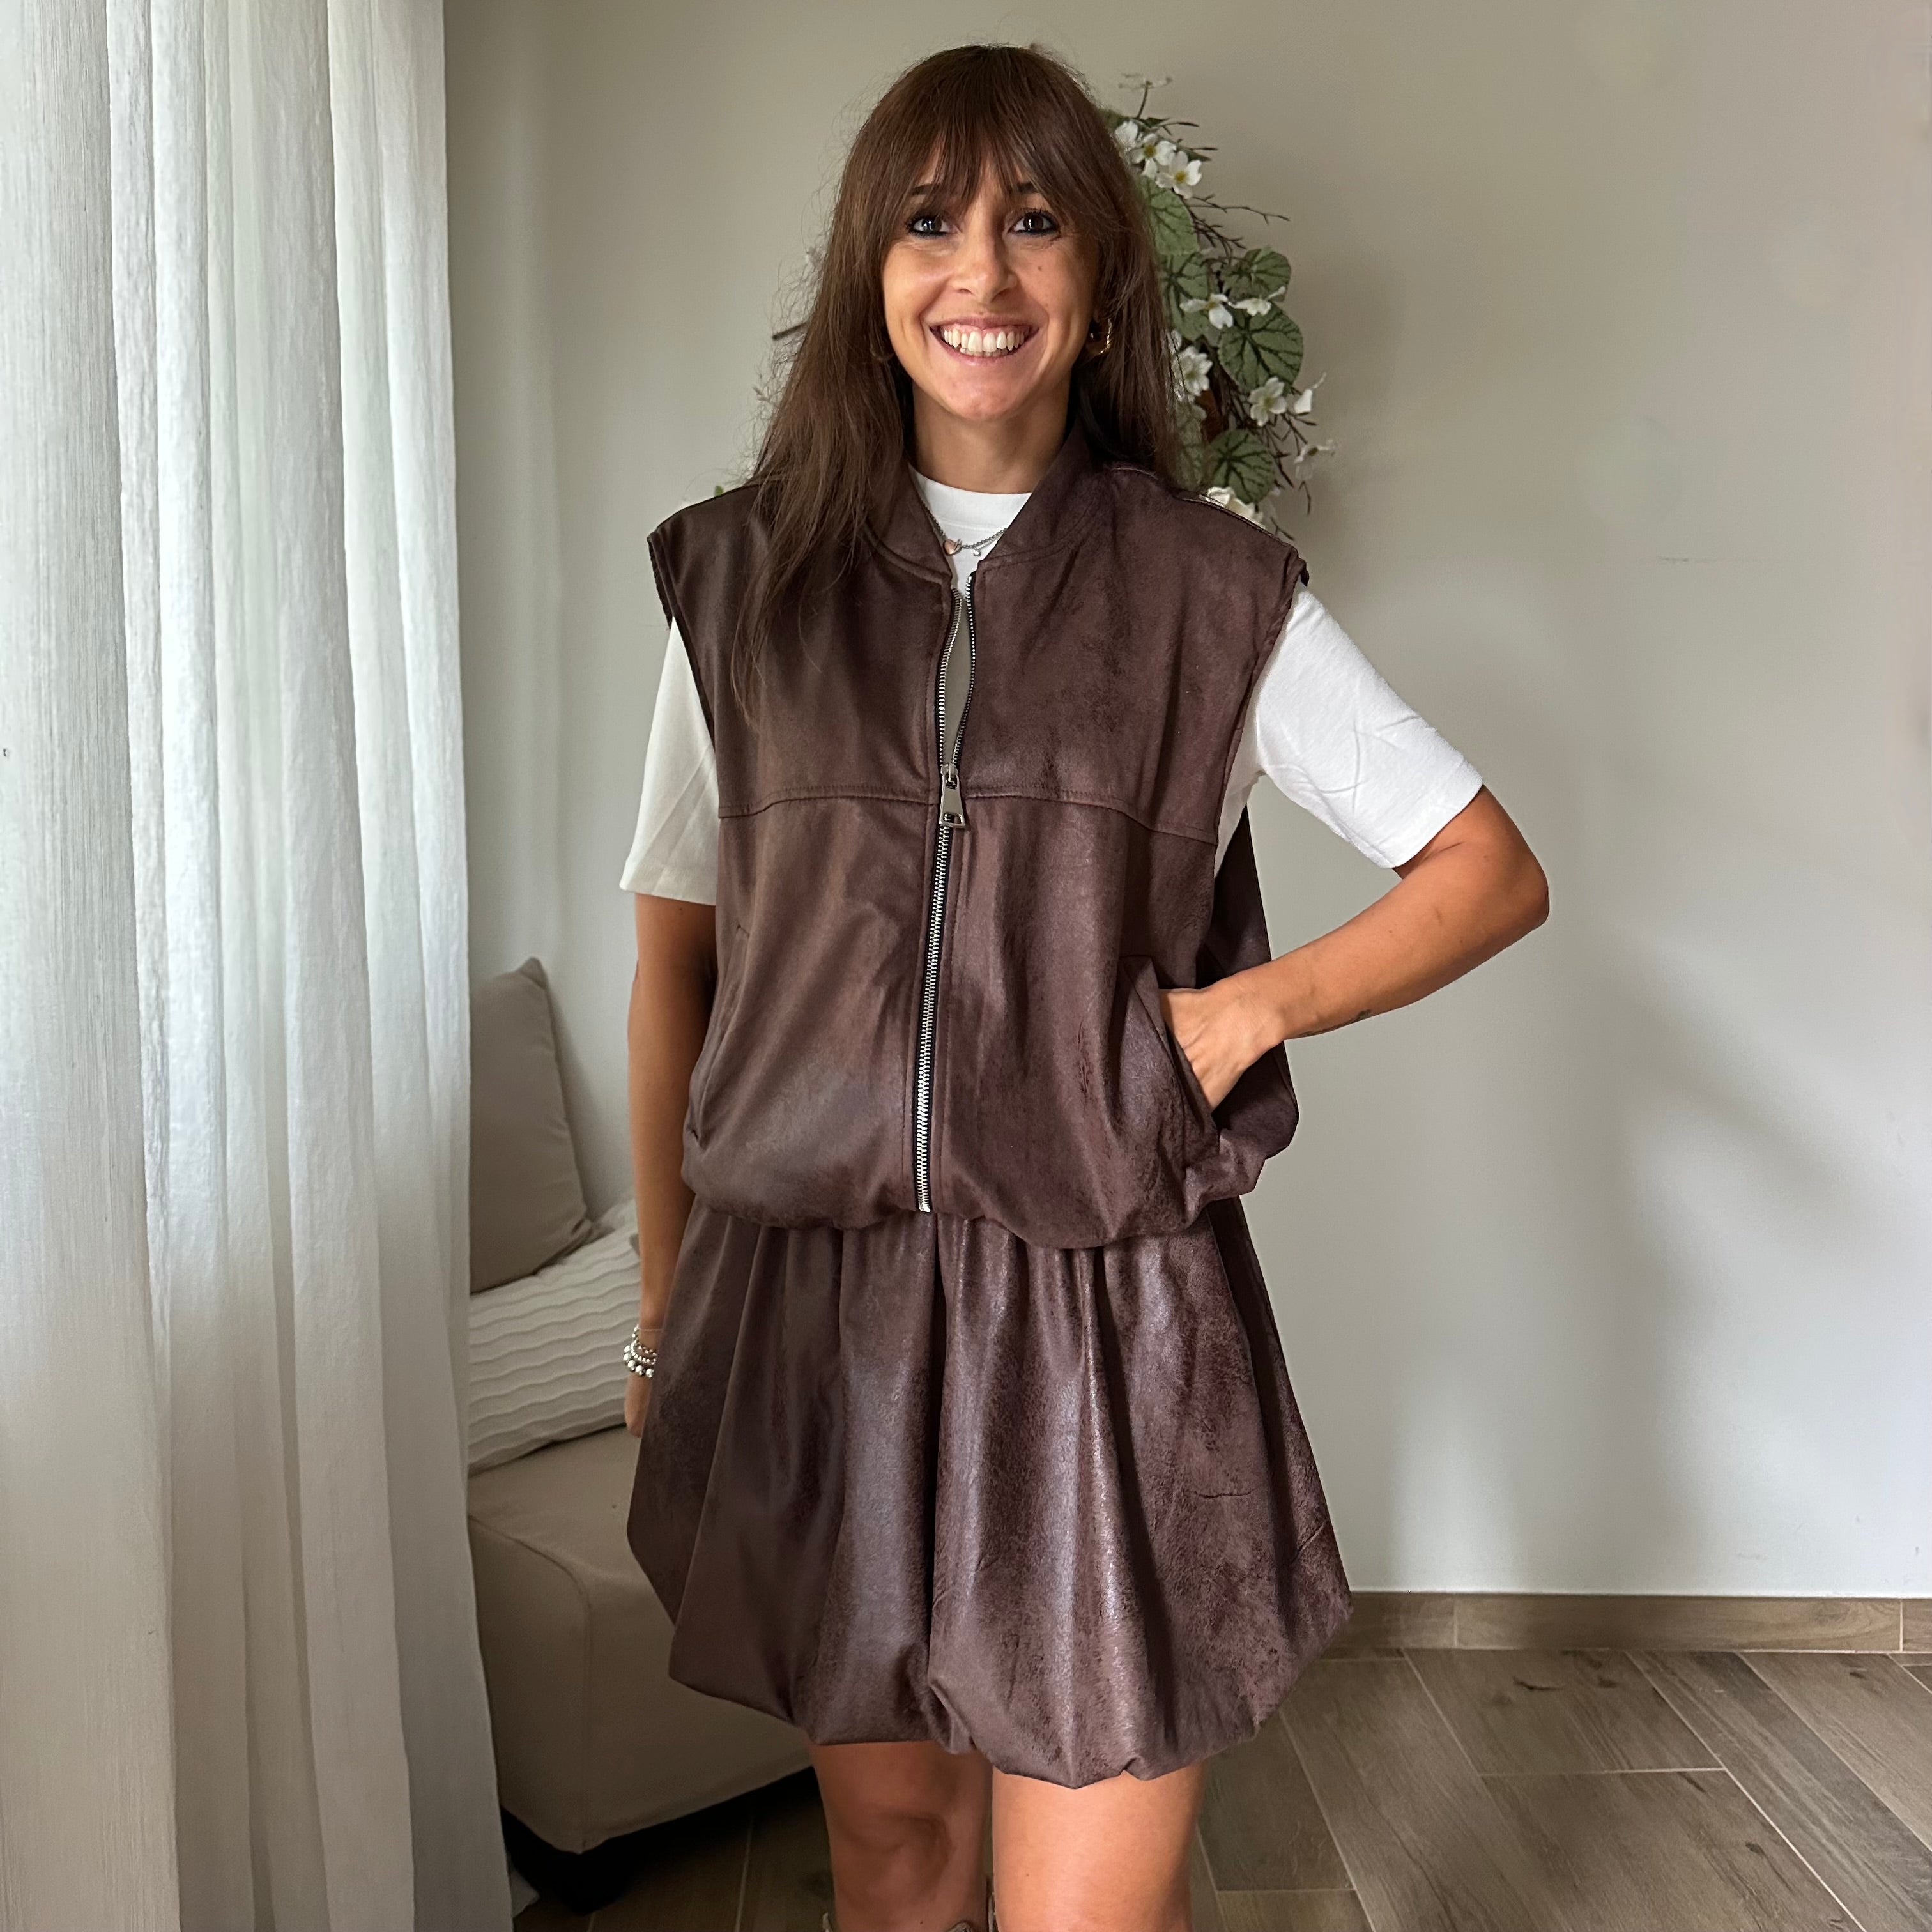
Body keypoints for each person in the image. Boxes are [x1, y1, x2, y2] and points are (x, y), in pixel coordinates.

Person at [617, 42, 1547, 1932]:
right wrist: (660, 1316)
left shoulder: (1213, 593)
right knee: (893, 1865)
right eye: (931, 223)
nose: (982, 272)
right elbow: (675, 970)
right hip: (827, 1325)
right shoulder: (743, 583)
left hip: (1108, 1334)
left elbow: (1485, 869)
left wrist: (1242, 1011)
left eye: (1035, 222)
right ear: (870, 275)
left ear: (1102, 279)